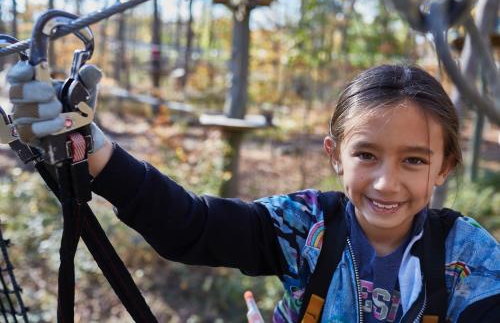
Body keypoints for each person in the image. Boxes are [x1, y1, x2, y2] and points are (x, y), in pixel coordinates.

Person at [6, 62, 500, 322]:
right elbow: (192, 227)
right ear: (335, 155)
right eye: (366, 155)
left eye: (413, 160)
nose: (386, 182)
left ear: (445, 167)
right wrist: (89, 145)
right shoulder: (306, 224)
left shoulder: (469, 257)